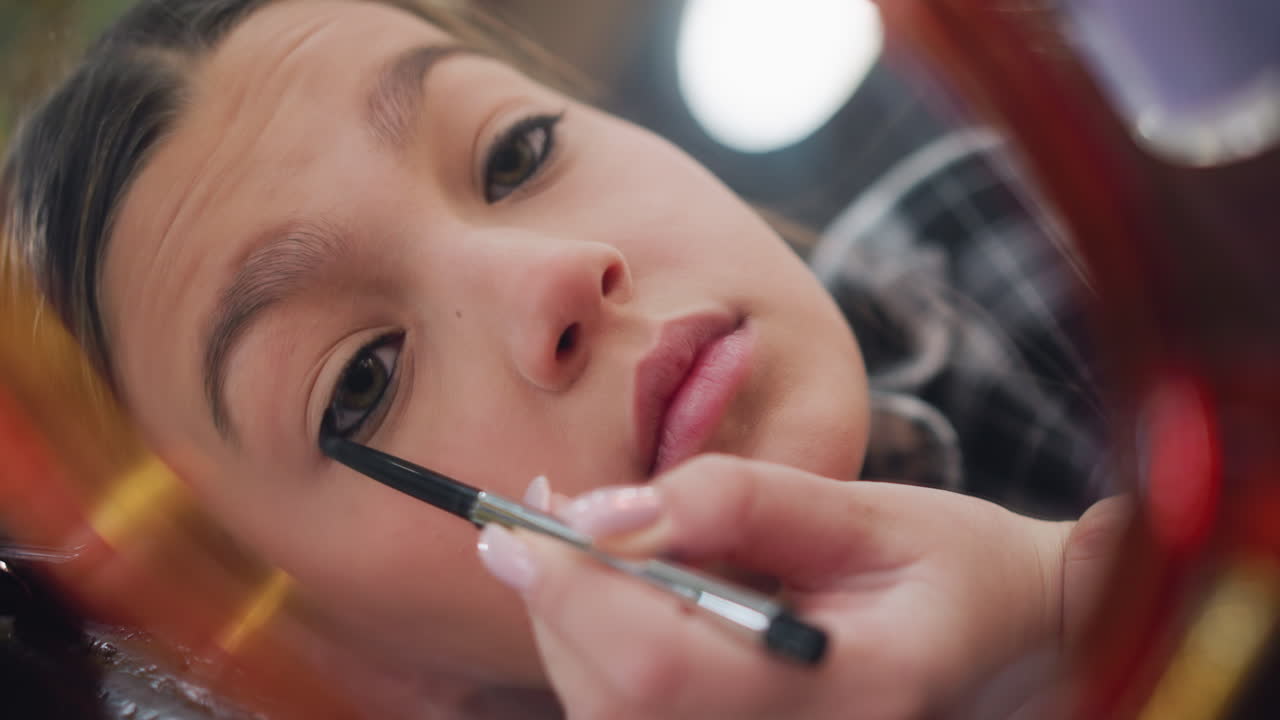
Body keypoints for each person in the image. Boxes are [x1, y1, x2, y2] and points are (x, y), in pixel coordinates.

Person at [1, 0, 1126, 716]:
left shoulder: (1018, 226)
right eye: (362, 377)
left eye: (514, 152)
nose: (556, 274)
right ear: (324, 664)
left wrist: (1073, 599)